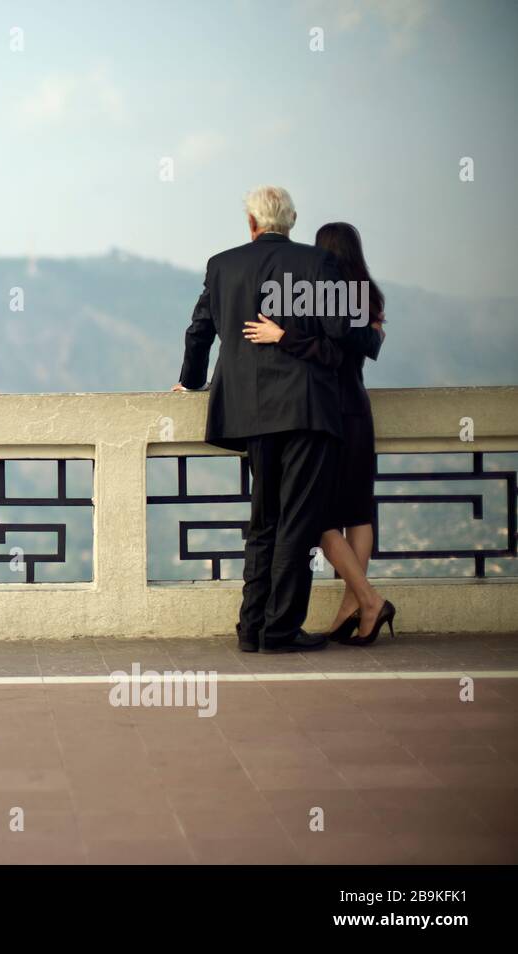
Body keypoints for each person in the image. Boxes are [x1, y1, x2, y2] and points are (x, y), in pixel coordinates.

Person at [173, 186, 384, 653]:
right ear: (290, 221)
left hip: (247, 413)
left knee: (263, 520)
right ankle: (280, 630)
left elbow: (199, 333)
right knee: (298, 520)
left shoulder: (222, 265)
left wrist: (190, 382)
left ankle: (251, 628)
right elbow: (342, 339)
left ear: (251, 223)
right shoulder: (317, 265)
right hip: (306, 412)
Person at [242, 223, 395, 645]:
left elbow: (328, 352)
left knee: (321, 518)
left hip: (328, 412)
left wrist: (282, 336)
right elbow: (369, 343)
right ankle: (356, 605)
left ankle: (365, 600)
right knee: (357, 512)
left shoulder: (317, 296)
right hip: (358, 410)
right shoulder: (366, 296)